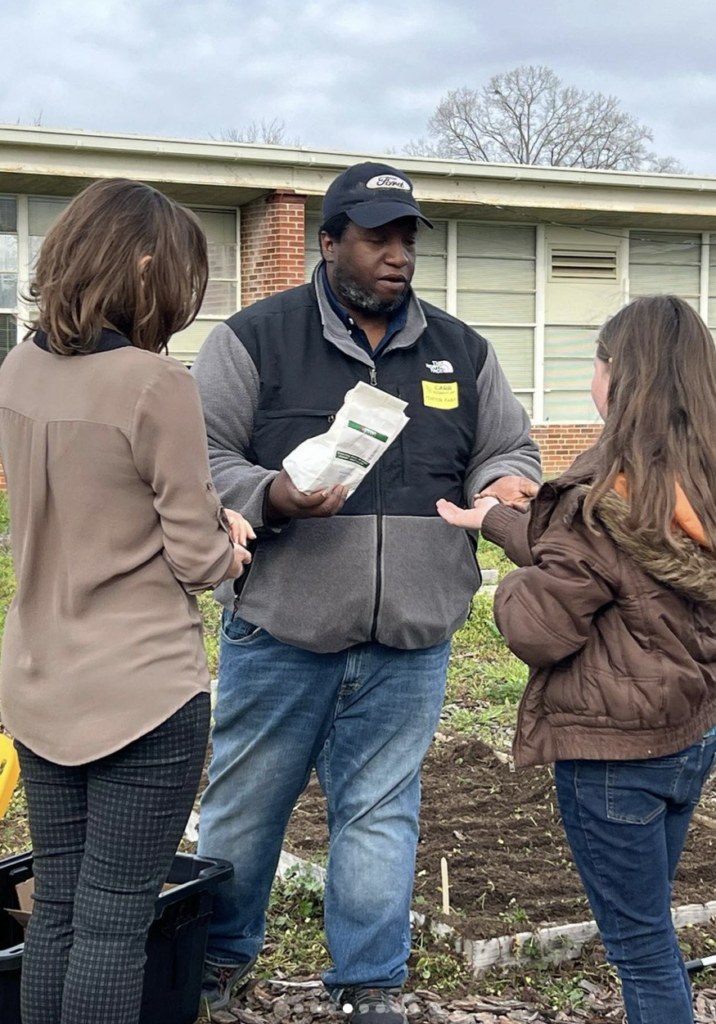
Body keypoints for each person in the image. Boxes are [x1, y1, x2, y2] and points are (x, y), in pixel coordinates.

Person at [191, 161, 541, 1021]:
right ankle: (218, 958)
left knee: (381, 814)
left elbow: (510, 449)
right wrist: (271, 495)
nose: (398, 256)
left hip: (412, 637)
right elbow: (199, 462)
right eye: (377, 238)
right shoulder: (254, 340)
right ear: (329, 243)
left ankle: (369, 981)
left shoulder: (463, 351)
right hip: (281, 627)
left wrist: (501, 487)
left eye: (407, 239)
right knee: (244, 810)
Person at [0, 178, 254, 1024]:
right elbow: (194, 559)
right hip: (142, 690)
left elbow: (86, 501)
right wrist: (232, 540)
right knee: (114, 926)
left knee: (59, 915)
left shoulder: (18, 367)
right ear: (141, 269)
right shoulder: (153, 383)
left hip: (38, 679)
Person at [438, 294, 716, 1024]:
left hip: (611, 753)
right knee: (651, 917)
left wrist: (506, 585)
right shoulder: (697, 481)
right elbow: (622, 568)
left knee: (641, 946)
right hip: (689, 739)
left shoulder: (603, 491)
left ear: (618, 376)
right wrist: (504, 519)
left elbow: (544, 627)